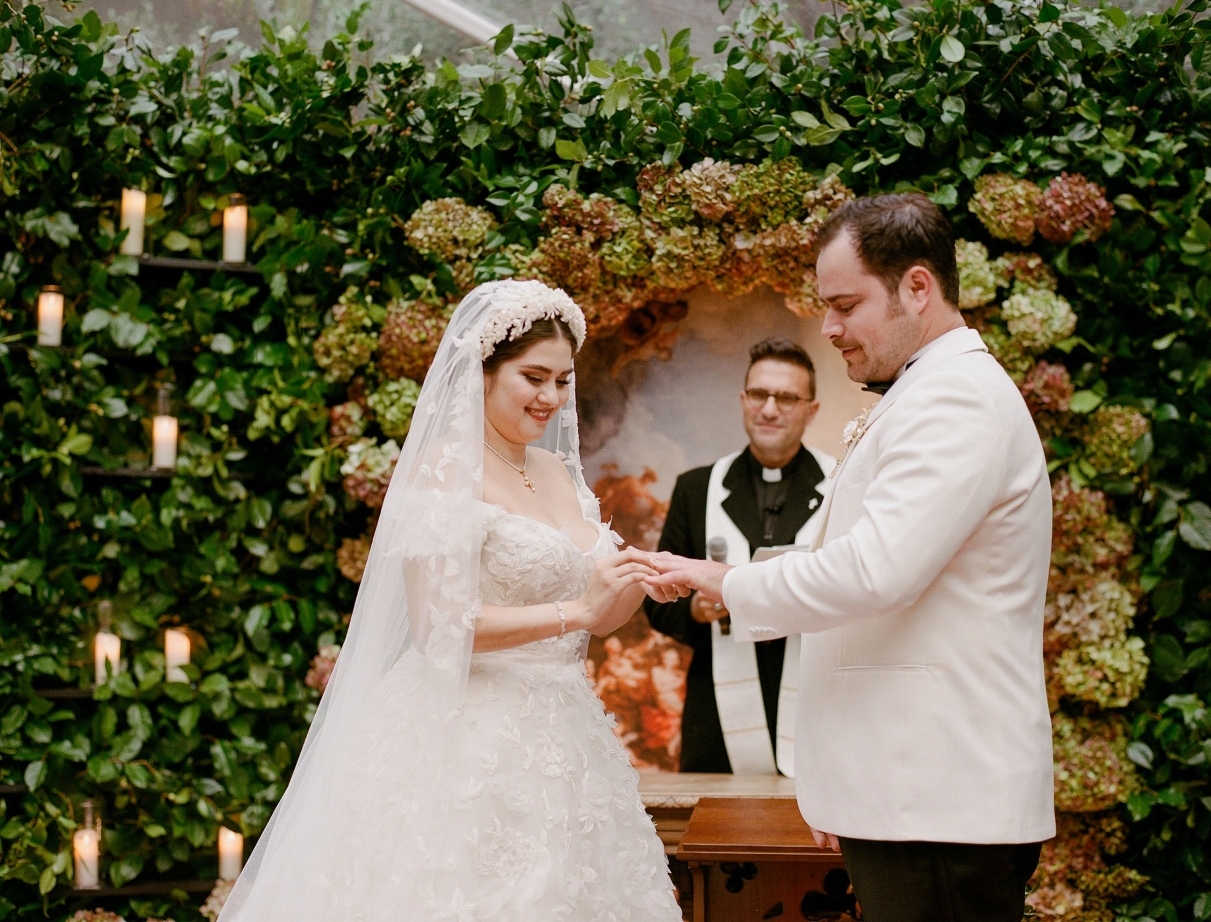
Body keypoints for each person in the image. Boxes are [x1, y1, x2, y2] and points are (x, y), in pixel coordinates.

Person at [644, 193, 1055, 922]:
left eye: (844, 304)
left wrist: (725, 579)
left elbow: (875, 571)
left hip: (935, 795)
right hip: (906, 794)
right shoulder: (925, 391)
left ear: (918, 288)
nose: (828, 326)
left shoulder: (954, 398)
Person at [220, 280, 682, 922]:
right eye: (534, 377)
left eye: (562, 380)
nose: (551, 397)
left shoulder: (555, 472)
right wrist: (576, 612)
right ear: (484, 374)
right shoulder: (444, 470)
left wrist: (633, 583)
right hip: (464, 732)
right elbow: (442, 626)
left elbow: (599, 616)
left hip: (566, 732)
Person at [644, 337, 836, 775]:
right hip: (716, 712)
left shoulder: (841, 484)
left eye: (787, 397)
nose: (769, 409)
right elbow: (654, 602)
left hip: (817, 705)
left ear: (812, 409)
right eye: (759, 395)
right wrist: (694, 607)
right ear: (743, 399)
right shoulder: (696, 489)